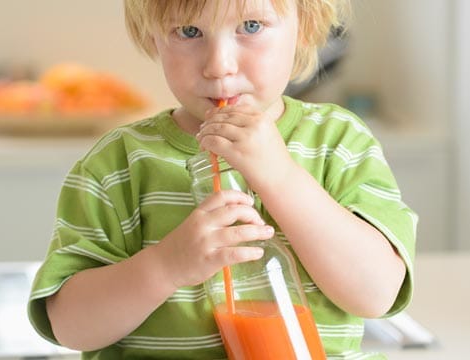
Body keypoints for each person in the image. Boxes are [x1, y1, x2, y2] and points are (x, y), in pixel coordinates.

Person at [27, 0, 417, 358]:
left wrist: (280, 176)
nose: (218, 65)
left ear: (305, 28)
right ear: (153, 38)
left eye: (250, 25)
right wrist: (167, 265)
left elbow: (376, 293)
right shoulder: (117, 165)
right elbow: (69, 326)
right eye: (189, 32)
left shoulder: (339, 144)